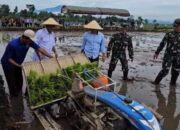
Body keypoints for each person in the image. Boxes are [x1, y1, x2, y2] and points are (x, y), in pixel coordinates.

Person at [1, 29, 53, 97]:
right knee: (11, 81)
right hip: (8, 64)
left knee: (19, 80)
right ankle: (13, 96)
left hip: (18, 63)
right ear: (25, 38)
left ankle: (19, 93)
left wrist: (50, 56)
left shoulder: (29, 42)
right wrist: (19, 66)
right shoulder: (13, 44)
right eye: (30, 40)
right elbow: (9, 59)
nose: (31, 41)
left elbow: (39, 49)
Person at [152, 18, 180, 85]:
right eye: (176, 26)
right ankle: (156, 83)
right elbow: (162, 44)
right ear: (174, 26)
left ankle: (172, 87)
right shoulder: (169, 34)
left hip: (178, 57)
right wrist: (157, 52)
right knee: (165, 71)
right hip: (168, 56)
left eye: (179, 26)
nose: (178, 28)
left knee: (176, 72)